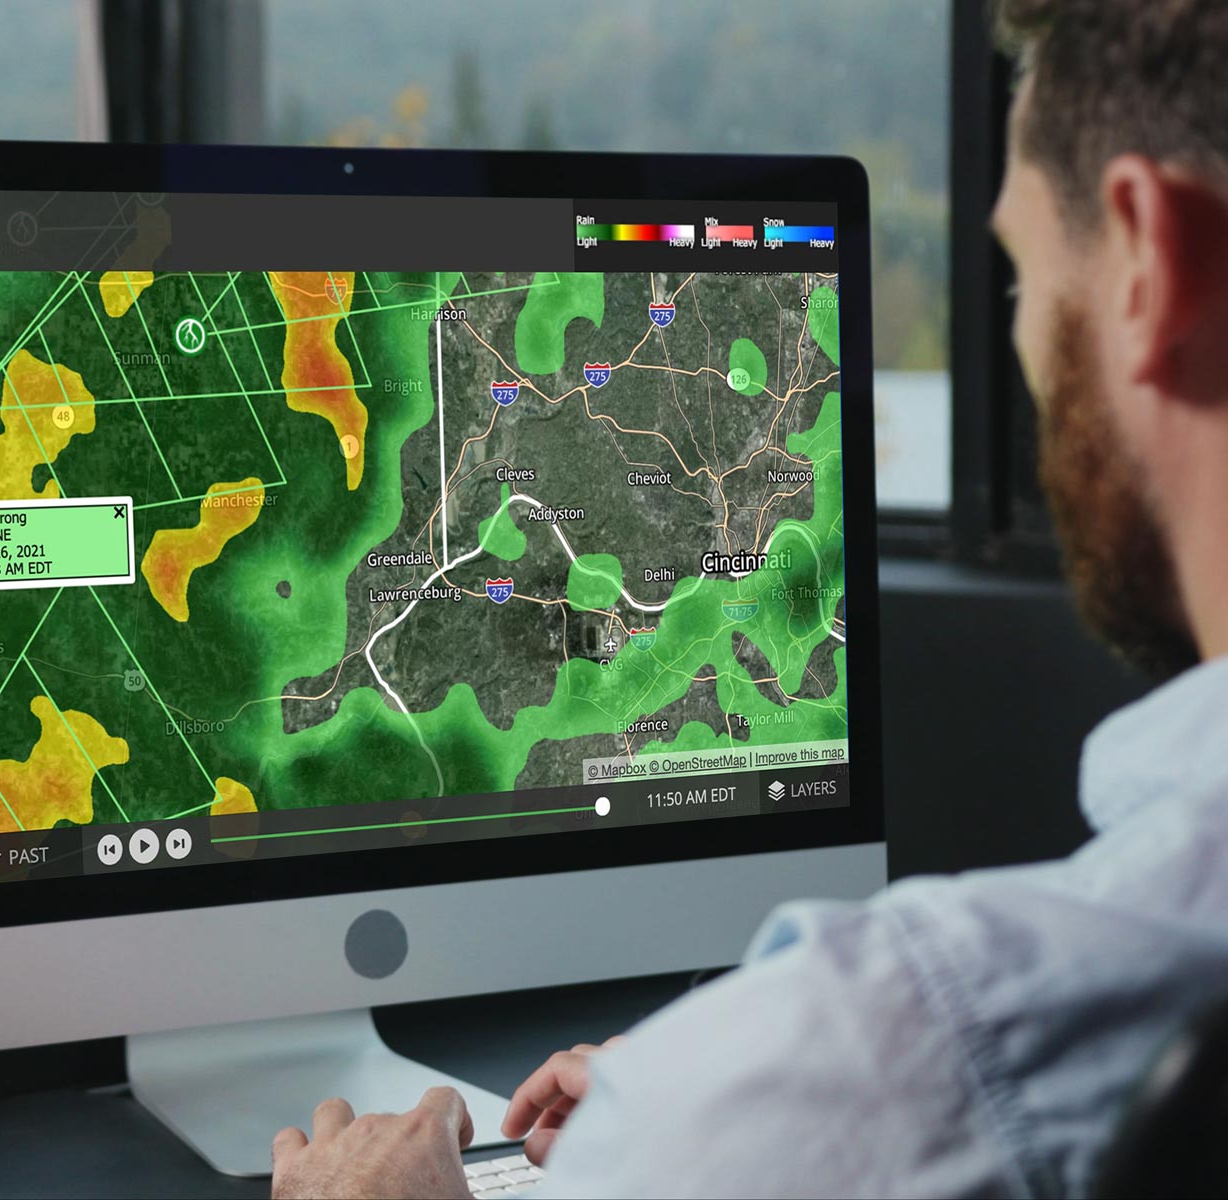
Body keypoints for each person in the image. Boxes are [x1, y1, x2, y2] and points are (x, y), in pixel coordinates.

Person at [270, 1, 1228, 1195]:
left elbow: (904, 1072)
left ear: (1148, 256)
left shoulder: (931, 1029)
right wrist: (726, 1091)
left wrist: (749, 1095)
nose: (1027, 342)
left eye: (1025, 276)